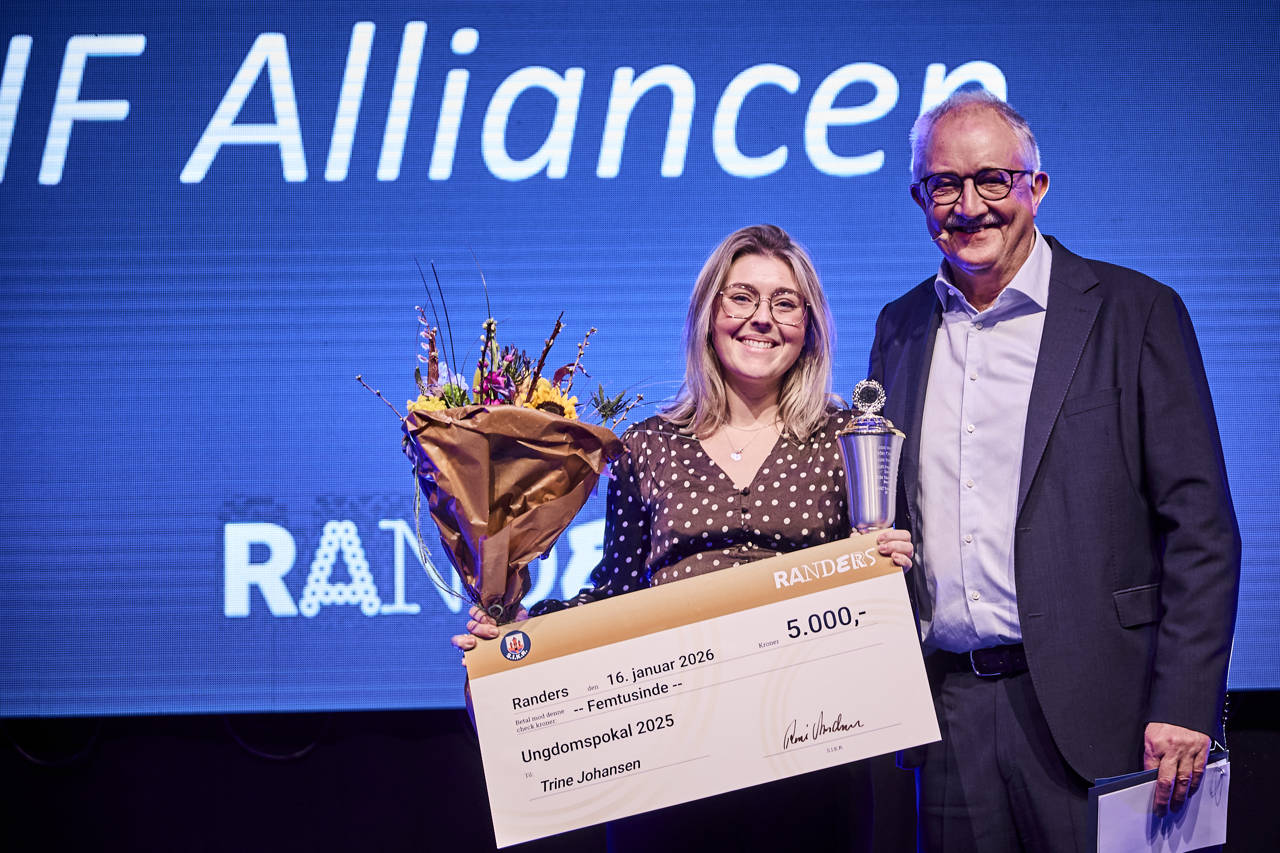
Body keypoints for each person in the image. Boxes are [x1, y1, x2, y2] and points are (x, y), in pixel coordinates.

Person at [454, 223, 914, 851]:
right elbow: (615, 590)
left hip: (812, 751)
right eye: (741, 297)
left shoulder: (849, 437)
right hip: (674, 758)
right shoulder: (648, 445)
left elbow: (874, 572)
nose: (762, 318)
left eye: (785, 303)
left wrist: (888, 563)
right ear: (708, 315)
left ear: (809, 325)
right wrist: (521, 638)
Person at [867, 88, 1240, 852]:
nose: (969, 205)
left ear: (1035, 186)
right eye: (944, 184)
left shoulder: (1134, 311)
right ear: (919, 198)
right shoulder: (899, 328)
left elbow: (1201, 528)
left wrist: (1187, 701)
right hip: (953, 714)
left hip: (1108, 709)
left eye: (992, 179)